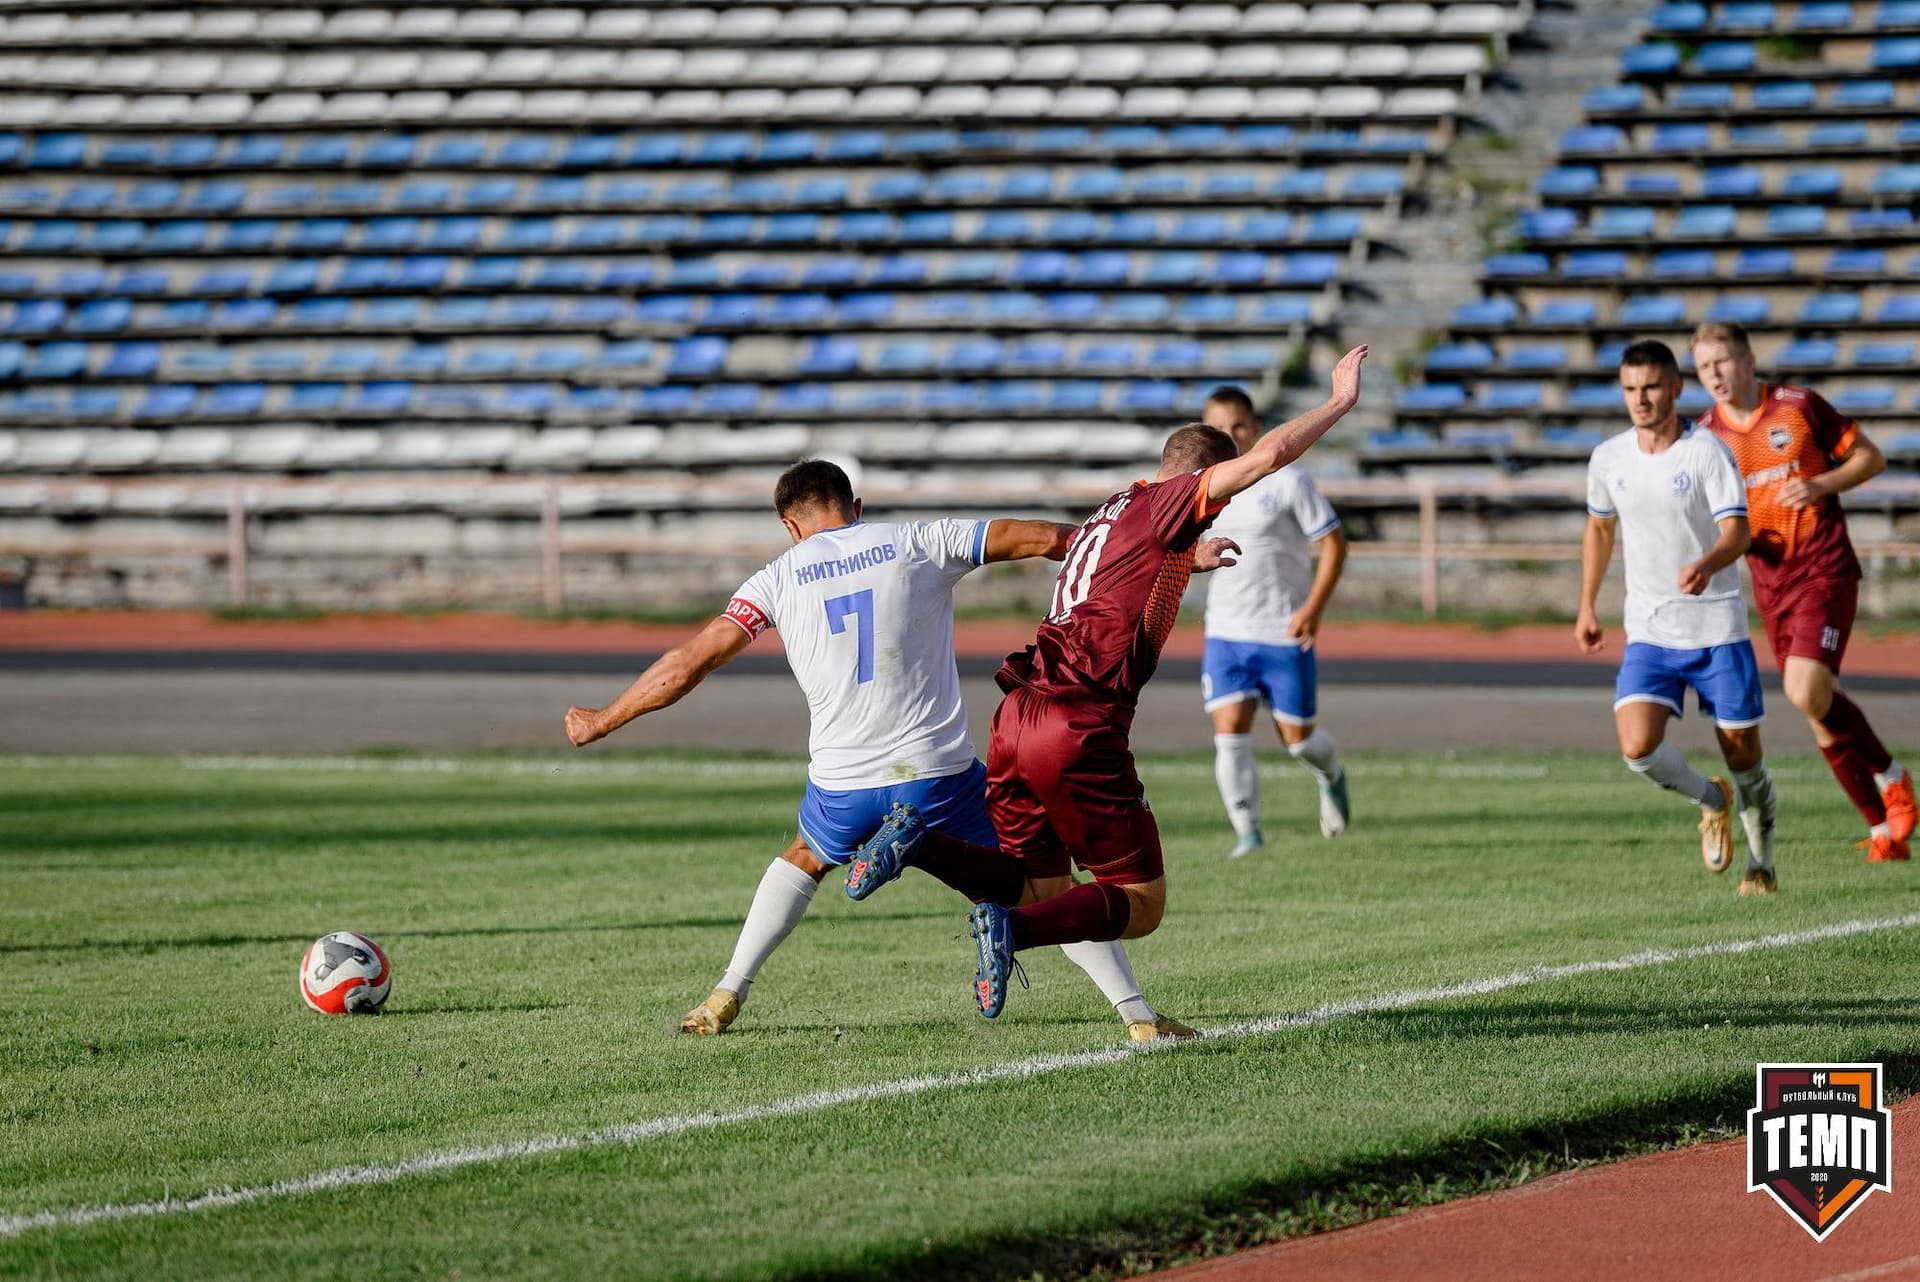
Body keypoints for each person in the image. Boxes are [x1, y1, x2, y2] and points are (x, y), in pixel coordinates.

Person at [563, 459, 1193, 1042]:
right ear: (855, 506)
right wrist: (1162, 552)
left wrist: (604, 719)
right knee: (1044, 882)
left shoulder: (776, 578)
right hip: (939, 776)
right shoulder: (915, 540)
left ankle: (727, 991)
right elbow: (1044, 538)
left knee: (804, 856)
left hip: (843, 787)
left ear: (791, 526)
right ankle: (1137, 1016)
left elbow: (687, 665)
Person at [845, 346, 1369, 1018]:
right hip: (1077, 722)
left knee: (1039, 885)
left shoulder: (1112, 510)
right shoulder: (1172, 504)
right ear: (1200, 478)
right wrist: (1339, 403)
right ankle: (1013, 935)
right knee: (1141, 903)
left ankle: (919, 843)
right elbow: (1265, 458)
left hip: (1016, 717)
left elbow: (1121, 575)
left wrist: (1190, 556)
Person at [1690, 321, 1914, 862]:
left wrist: (1820, 484)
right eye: (1702, 367)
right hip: (1771, 585)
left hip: (1823, 569)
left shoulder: (1798, 406)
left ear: (1748, 360)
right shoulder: (1703, 438)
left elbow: (1870, 458)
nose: (1714, 375)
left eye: (1721, 361)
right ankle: (1883, 832)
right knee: (1817, 710)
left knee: (1804, 690)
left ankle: (1894, 777)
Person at [1575, 339, 1779, 895]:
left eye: (1651, 387)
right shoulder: (1608, 458)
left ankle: (1760, 862)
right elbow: (1599, 529)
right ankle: (1710, 801)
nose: (1640, 400)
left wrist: (1707, 562)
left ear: (1675, 389)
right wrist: (1588, 604)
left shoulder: (1706, 451)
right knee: (1637, 747)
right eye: (1630, 389)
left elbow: (1738, 531)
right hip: (1650, 629)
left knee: (1745, 758)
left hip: (1716, 627)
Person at [1197, 385, 1352, 855]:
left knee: (1298, 741)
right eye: (1219, 427)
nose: (1230, 434)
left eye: (1238, 425)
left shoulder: (1289, 482)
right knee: (1229, 737)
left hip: (1283, 630)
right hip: (1225, 632)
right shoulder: (1200, 489)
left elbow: (1334, 544)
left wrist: (1313, 608)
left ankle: (1331, 775)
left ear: (1256, 429)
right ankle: (1249, 835)